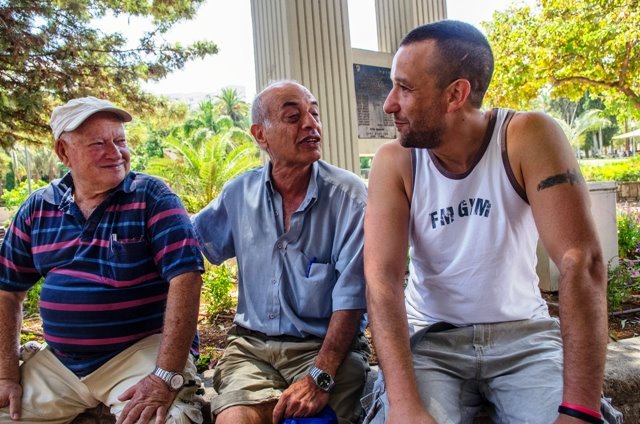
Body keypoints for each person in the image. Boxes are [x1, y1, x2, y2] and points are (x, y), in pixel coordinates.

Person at [363, 20, 617, 424]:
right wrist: (406, 405)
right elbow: (381, 278)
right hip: (431, 343)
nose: (389, 104)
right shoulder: (396, 161)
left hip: (526, 339)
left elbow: (580, 259)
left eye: (405, 88)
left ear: (456, 94)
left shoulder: (526, 136)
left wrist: (580, 410)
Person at [0, 97, 205, 423]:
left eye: (120, 141)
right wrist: (6, 375)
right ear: (63, 152)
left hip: (138, 355)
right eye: (98, 144)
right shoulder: (38, 208)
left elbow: (187, 278)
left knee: (170, 419)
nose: (115, 153)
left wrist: (165, 375)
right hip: (61, 365)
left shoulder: (151, 197)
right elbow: (7, 291)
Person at [192, 80, 370, 424]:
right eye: (293, 117)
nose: (311, 124)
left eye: (314, 114)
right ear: (261, 135)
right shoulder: (239, 193)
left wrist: (320, 375)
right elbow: (190, 240)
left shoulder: (349, 197)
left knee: (311, 420)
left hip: (326, 349)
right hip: (251, 350)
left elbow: (353, 297)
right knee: (234, 420)